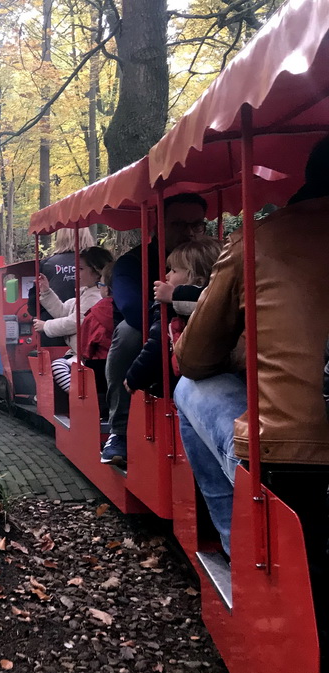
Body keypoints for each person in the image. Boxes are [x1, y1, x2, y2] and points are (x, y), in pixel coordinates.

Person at [174, 135, 329, 562]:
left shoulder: (258, 240)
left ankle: (236, 545)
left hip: (294, 458)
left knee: (186, 388)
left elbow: (192, 358)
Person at [101, 193, 209, 464]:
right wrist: (178, 315)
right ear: (157, 226)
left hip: (207, 330)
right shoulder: (132, 264)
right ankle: (120, 431)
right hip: (153, 334)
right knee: (128, 332)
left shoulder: (212, 256)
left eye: (196, 225)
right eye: (178, 224)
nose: (189, 233)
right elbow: (135, 311)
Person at [123, 237, 221, 397]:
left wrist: (133, 378)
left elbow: (156, 346)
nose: (166, 276)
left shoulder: (170, 309)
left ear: (197, 280)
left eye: (174, 271)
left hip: (175, 386)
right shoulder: (223, 304)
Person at [33, 246, 114, 387]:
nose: (76, 273)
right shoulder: (86, 293)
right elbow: (63, 311)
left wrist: (46, 326)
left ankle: (78, 392)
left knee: (58, 367)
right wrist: (46, 291)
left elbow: (75, 322)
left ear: (96, 272)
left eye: (81, 269)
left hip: (88, 355)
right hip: (79, 352)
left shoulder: (95, 297)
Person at [51, 262, 116, 402]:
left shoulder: (95, 313)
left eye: (101, 284)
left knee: (58, 366)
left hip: (98, 366)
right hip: (118, 365)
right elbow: (62, 310)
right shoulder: (136, 309)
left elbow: (85, 346)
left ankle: (78, 397)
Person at [28, 228, 96, 347]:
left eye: (80, 269)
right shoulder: (96, 263)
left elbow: (33, 307)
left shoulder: (47, 265)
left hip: (52, 336)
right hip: (87, 338)